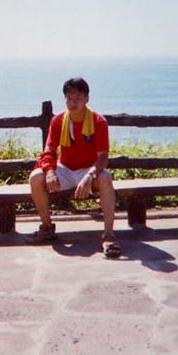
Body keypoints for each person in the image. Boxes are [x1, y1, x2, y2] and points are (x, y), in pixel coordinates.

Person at [26, 77, 121, 258]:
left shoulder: (98, 121)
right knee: (36, 177)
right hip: (65, 169)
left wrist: (89, 176)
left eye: (77, 98)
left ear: (87, 99)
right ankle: (47, 227)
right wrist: (50, 171)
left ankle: (109, 236)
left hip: (88, 170)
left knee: (105, 178)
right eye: (69, 98)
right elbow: (49, 151)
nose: (72, 103)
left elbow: (102, 158)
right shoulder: (58, 121)